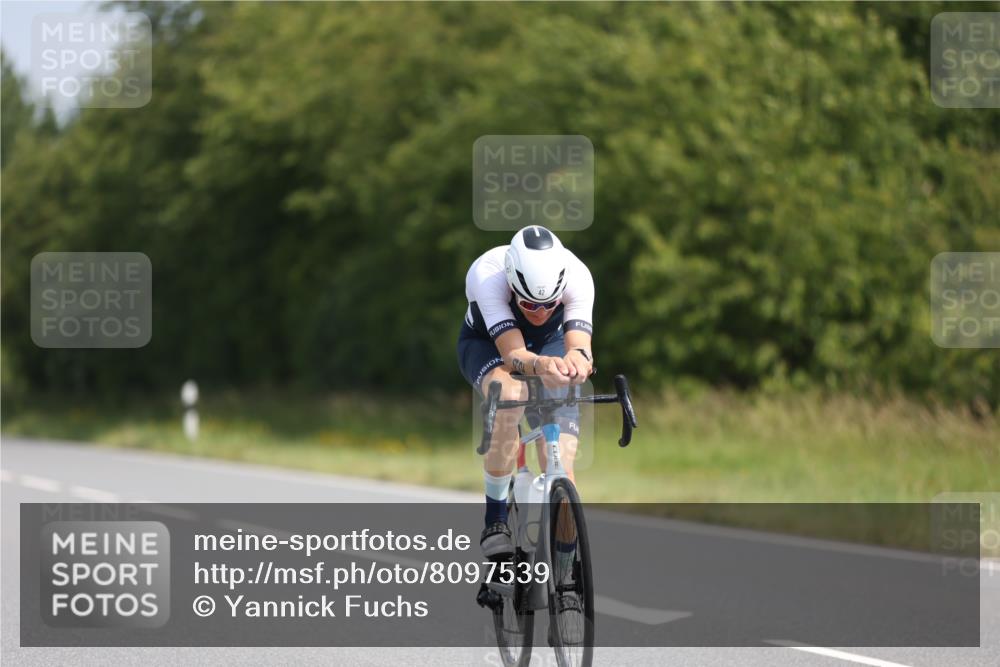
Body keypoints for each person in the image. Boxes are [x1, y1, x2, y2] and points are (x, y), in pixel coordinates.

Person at [456, 225, 594, 559]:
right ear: (512, 283)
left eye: (550, 304)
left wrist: (578, 362)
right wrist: (544, 366)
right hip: (489, 344)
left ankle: (566, 573)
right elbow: (514, 354)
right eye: (530, 304)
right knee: (511, 396)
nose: (541, 312)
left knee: (561, 462)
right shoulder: (487, 274)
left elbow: (580, 346)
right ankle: (496, 519)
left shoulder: (578, 276)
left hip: (550, 343)